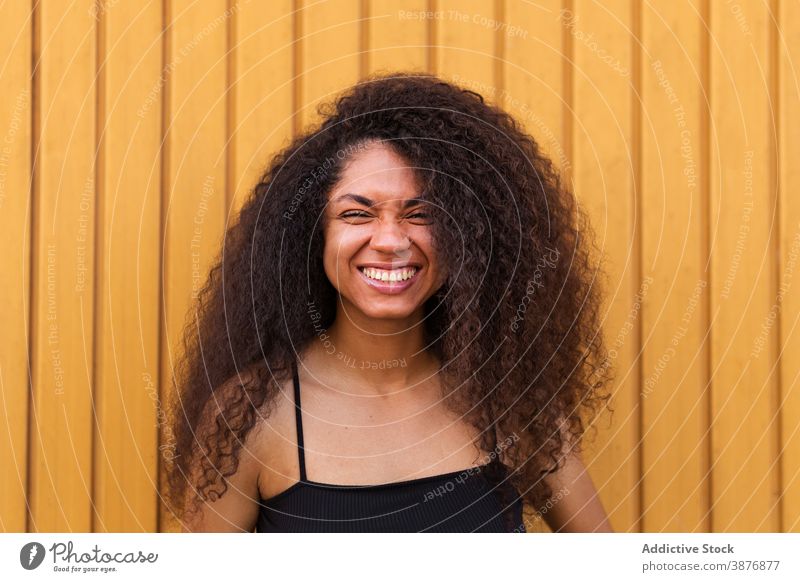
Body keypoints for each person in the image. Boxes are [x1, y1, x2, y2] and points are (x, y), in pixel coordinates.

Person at [164, 72, 614, 533]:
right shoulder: (249, 415)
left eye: (420, 215)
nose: (390, 240)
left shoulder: (509, 396)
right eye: (357, 214)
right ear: (314, 234)